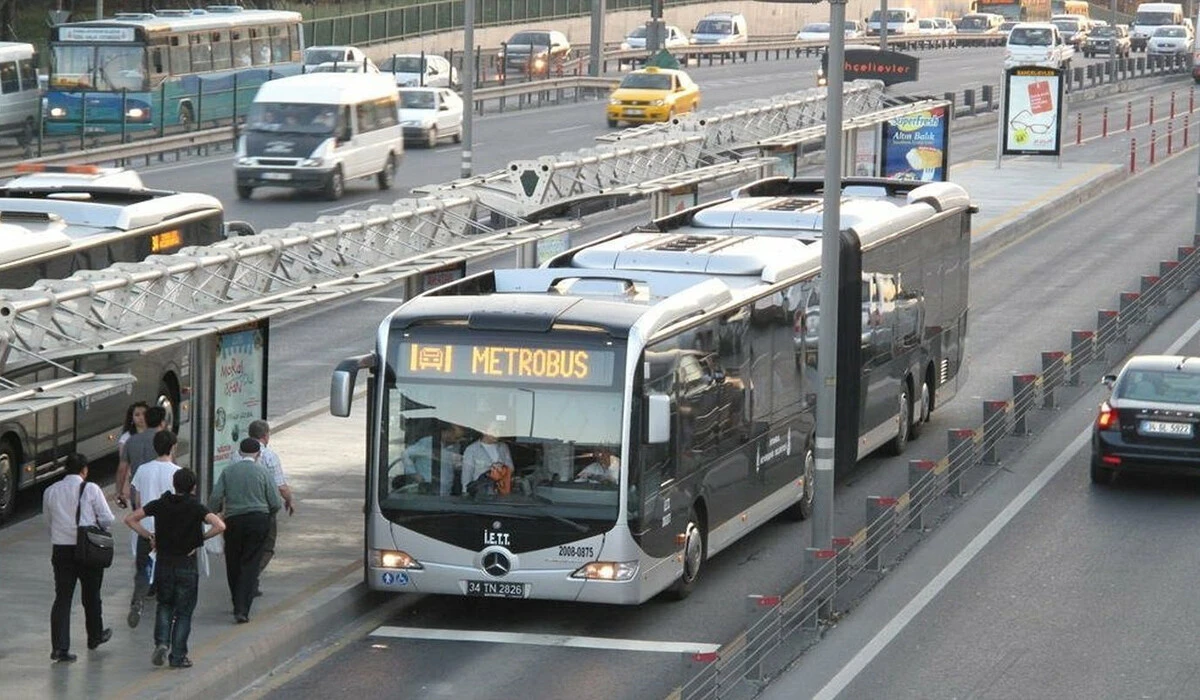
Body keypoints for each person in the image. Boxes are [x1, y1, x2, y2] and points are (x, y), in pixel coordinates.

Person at [125, 468, 225, 669]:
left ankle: (162, 643)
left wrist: (149, 536)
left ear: (174, 484)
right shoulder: (196, 507)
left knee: (165, 605)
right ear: (193, 487)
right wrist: (200, 539)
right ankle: (178, 656)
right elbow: (220, 526)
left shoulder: (161, 503)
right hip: (186, 564)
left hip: (164, 563)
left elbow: (129, 519)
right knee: (184, 612)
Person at [44, 454, 114, 662]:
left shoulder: (51, 491)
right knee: (91, 594)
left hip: (61, 549)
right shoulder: (91, 489)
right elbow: (107, 519)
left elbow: (48, 522)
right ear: (84, 470)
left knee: (63, 598)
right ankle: (95, 635)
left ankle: (60, 648)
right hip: (87, 549)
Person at [208, 438, 281, 623]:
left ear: (240, 453)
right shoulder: (263, 472)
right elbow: (275, 502)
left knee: (233, 561)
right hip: (258, 520)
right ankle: (243, 609)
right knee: (251, 563)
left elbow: (216, 497)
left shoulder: (228, 471)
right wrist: (268, 515)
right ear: (258, 454)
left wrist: (213, 513)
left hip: (234, 520)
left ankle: (236, 602)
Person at [126, 430, 182, 629]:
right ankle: (165, 609)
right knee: (167, 571)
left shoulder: (142, 470)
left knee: (143, 568)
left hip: (146, 529)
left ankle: (138, 599)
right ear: (173, 447)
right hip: (168, 531)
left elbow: (138, 501)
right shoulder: (177, 471)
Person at [248, 419, 294, 589]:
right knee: (267, 546)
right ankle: (251, 576)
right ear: (266, 436)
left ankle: (247, 576)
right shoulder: (269, 456)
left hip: (239, 510)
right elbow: (280, 486)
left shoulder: (237, 454)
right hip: (263, 510)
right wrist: (289, 500)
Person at [395, 423, 464, 495]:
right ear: (445, 432)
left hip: (446, 492)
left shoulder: (455, 447)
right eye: (456, 438)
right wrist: (413, 474)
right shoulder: (427, 443)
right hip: (426, 491)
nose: (457, 441)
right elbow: (406, 454)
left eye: (459, 438)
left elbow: (456, 465)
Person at [119, 405, 167, 505]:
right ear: (162, 422)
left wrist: (120, 491)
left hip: (137, 490)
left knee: (138, 518)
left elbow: (122, 469)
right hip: (159, 490)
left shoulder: (130, 441)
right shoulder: (166, 440)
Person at [114, 401, 149, 509]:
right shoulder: (126, 438)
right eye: (137, 415)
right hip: (136, 483)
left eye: (144, 414)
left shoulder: (155, 434)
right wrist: (123, 489)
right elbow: (124, 466)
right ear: (132, 418)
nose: (141, 417)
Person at [461, 425, 514, 496]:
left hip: (501, 492)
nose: (497, 433)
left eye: (499, 431)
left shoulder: (503, 447)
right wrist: (465, 493)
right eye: (494, 430)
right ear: (484, 431)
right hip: (481, 494)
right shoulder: (472, 450)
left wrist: (501, 469)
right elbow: (467, 475)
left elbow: (511, 468)